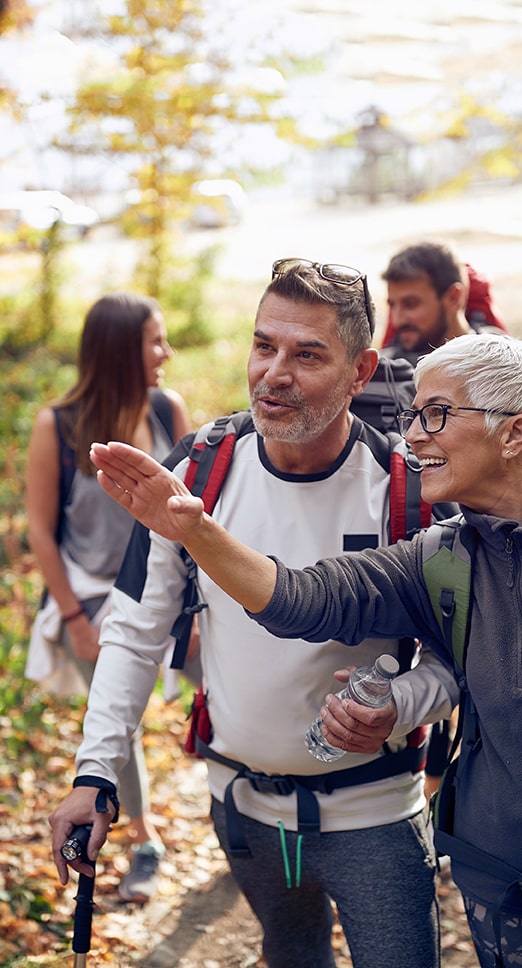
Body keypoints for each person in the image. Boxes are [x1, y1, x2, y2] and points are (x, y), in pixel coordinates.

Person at [84, 332, 522, 968]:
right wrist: (194, 530)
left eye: (436, 414)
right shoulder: (437, 559)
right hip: (499, 892)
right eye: (412, 415)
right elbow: (299, 600)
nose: (414, 435)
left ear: (512, 433)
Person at [49, 259, 458, 968]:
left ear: (360, 372)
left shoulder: (405, 492)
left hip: (376, 815)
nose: (274, 373)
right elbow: (135, 631)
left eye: (306, 355)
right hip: (241, 810)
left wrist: (403, 701)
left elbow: (462, 655)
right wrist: (95, 775)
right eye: (264, 345)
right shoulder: (200, 470)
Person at [26, 291, 192, 903]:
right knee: (112, 705)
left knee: (230, 668)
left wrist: (194, 614)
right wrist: (72, 617)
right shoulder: (58, 425)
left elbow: (193, 516)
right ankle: (146, 839)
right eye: (155, 340)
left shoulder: (165, 410)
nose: (166, 352)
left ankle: (255, 804)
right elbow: (40, 530)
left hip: (166, 588)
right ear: (122, 349)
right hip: (92, 596)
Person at [380, 241, 506, 366]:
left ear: (454, 298)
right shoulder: (380, 371)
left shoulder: (504, 364)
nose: (397, 320)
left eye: (411, 304)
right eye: (392, 305)